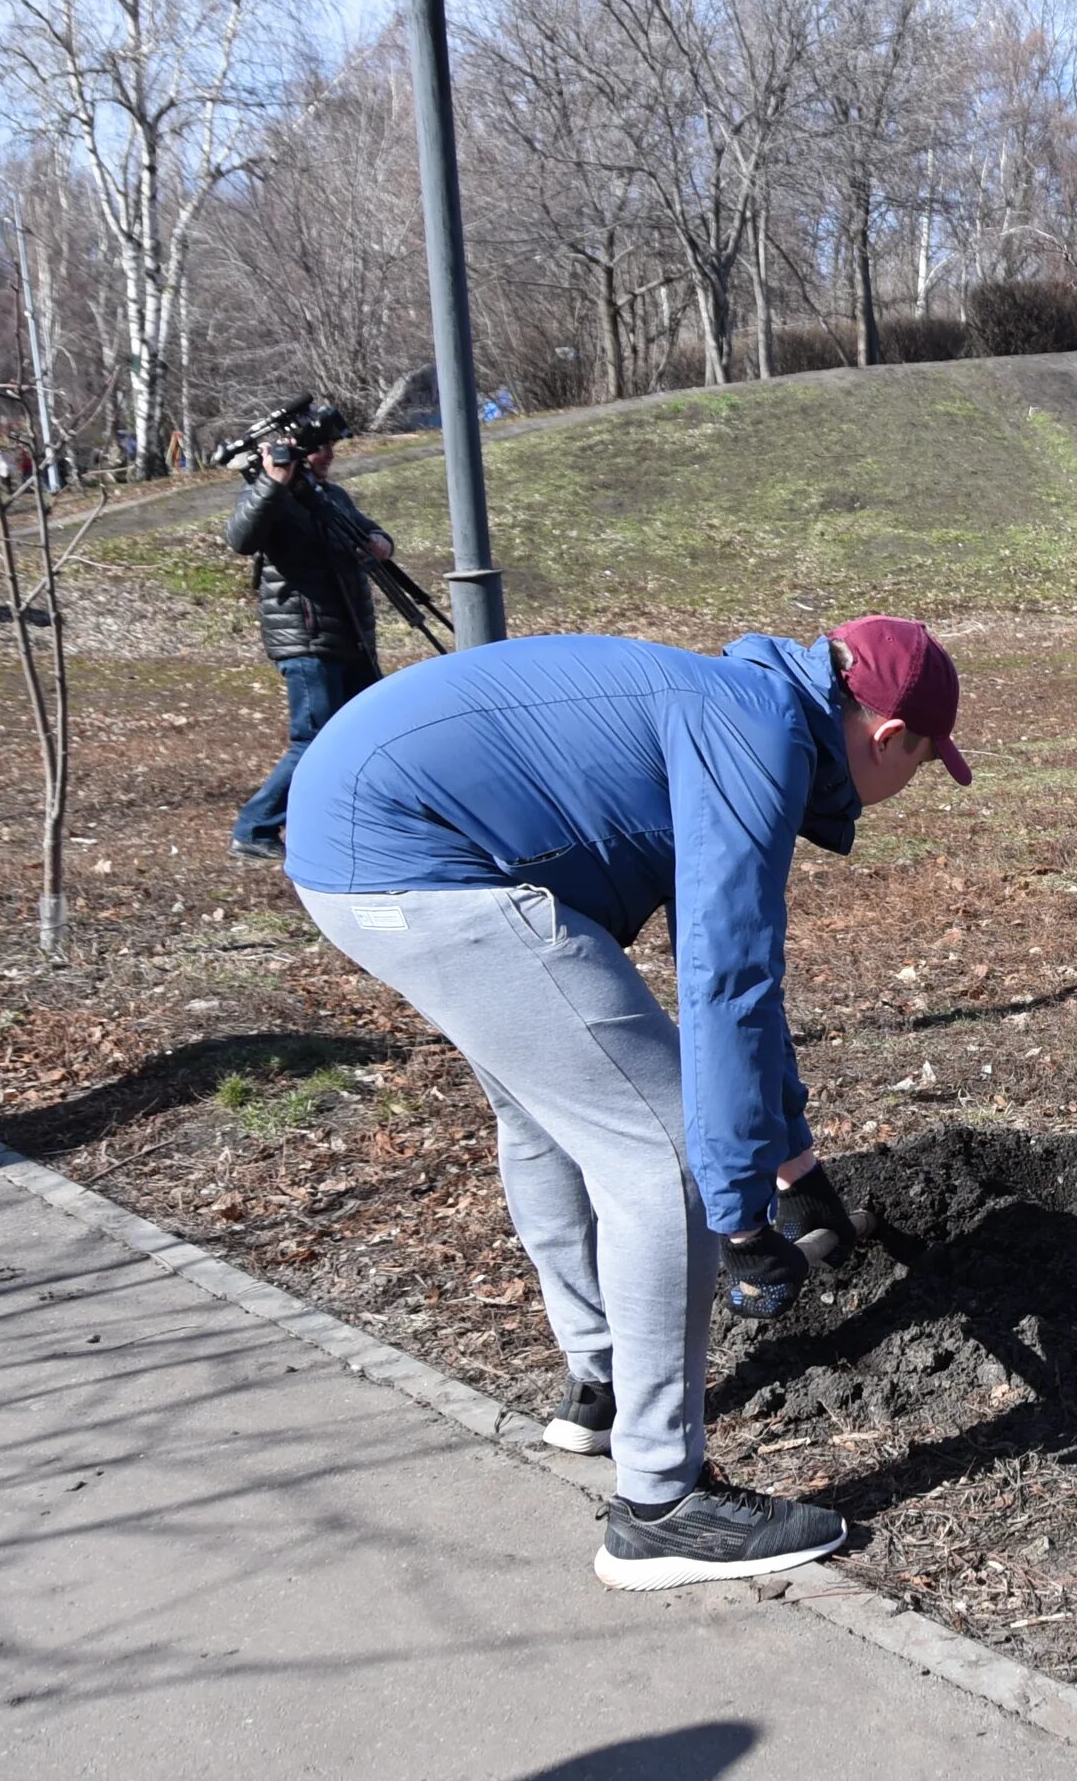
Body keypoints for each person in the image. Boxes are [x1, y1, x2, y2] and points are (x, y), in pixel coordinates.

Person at [284, 617, 971, 1588]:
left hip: (358, 833)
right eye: (927, 762)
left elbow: (734, 973)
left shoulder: (741, 708)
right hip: (416, 854)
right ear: (891, 733)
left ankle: (601, 1383)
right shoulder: (759, 739)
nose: (913, 784)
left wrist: (795, 1165)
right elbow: (724, 984)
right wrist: (738, 1218)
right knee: (662, 1154)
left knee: (546, 1113)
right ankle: (660, 1502)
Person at [224, 401, 392, 861]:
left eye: (332, 446)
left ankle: (347, 824)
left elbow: (367, 531)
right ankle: (254, 827)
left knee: (366, 730)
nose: (330, 453)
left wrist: (381, 543)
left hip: (350, 633)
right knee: (314, 740)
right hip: (306, 638)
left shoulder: (328, 496)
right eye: (322, 447)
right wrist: (272, 484)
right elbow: (241, 539)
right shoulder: (270, 494)